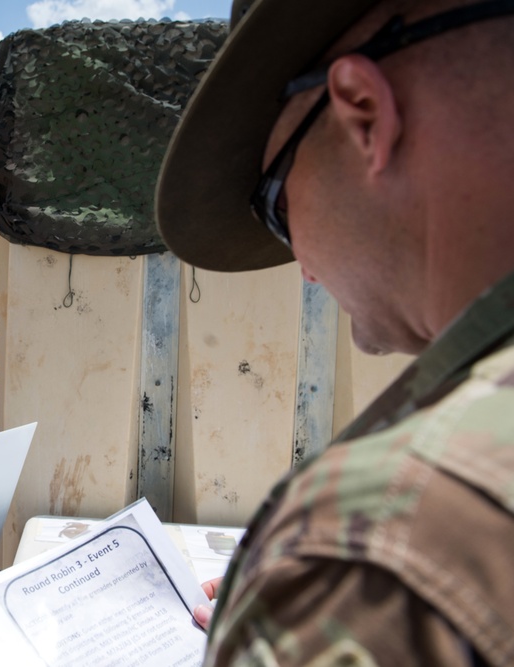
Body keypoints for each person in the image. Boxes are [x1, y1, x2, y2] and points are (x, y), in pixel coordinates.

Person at [155, 0, 514, 664]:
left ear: (363, 114)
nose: (308, 270)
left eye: (276, 208)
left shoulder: (370, 559)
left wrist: (303, 599)